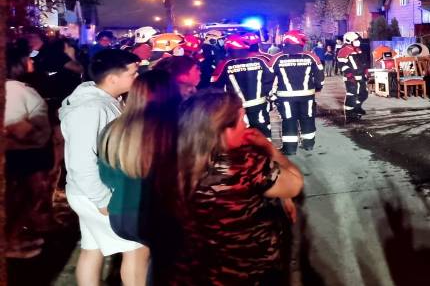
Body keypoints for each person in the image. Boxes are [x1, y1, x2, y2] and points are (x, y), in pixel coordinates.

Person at [172, 90, 304, 284]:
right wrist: (269, 149)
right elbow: (294, 184)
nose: (245, 126)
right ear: (225, 129)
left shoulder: (172, 160)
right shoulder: (243, 164)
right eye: (241, 119)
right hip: (248, 268)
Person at [59, 49, 148, 286]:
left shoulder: (104, 102)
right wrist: (102, 200)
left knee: (92, 248)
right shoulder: (91, 109)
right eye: (133, 73)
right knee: (138, 249)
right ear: (112, 79)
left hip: (88, 192)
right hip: (96, 194)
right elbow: (80, 161)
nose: (137, 78)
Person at [98, 69, 181, 283]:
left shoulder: (112, 129)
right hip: (158, 214)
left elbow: (106, 177)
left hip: (121, 216)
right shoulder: (175, 129)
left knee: (138, 258)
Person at [5, 44, 53, 259]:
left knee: (25, 199)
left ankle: (13, 238)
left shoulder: (16, 88)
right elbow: (14, 125)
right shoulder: (13, 90)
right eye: (28, 58)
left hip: (26, 155)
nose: (32, 61)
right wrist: (36, 135)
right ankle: (9, 244)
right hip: (22, 156)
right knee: (18, 200)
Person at [269, 31, 325, 153]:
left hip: (286, 97)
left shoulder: (277, 58)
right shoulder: (311, 56)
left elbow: (268, 78)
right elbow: (320, 75)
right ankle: (309, 144)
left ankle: (290, 149)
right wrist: (318, 87)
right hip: (307, 96)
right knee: (308, 118)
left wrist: (269, 93)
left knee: (289, 120)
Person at [211, 34, 275, 138]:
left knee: (241, 130)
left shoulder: (224, 64)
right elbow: (270, 79)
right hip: (259, 103)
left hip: (236, 106)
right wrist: (265, 93)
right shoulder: (259, 61)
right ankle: (265, 150)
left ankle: (246, 151)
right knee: (262, 128)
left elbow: (216, 86)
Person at [337, 32, 369, 121]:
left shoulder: (358, 49)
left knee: (363, 94)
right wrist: (349, 75)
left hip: (360, 75)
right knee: (352, 94)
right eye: (356, 40)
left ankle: (357, 107)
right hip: (351, 77)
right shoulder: (344, 50)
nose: (358, 41)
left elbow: (363, 61)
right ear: (349, 40)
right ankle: (349, 113)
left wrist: (366, 70)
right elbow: (341, 64)